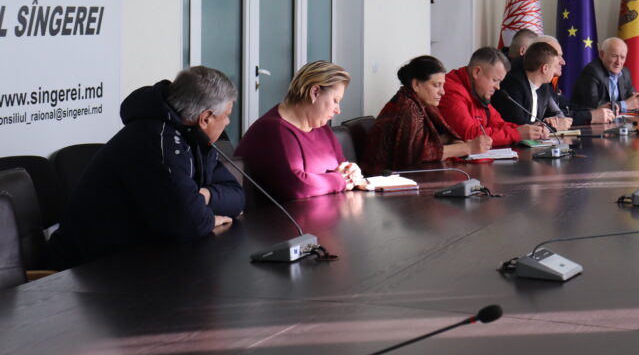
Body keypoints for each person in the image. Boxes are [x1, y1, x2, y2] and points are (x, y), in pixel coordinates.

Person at [47, 66, 245, 269]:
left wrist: (204, 196)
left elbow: (237, 197)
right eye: (226, 115)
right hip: (86, 269)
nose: (228, 121)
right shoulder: (156, 140)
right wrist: (205, 217)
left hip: (134, 260)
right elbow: (188, 223)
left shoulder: (193, 138)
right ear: (205, 118)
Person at [235, 61, 365, 201]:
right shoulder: (272, 129)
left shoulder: (322, 128)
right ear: (314, 92)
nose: (338, 110)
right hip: (278, 215)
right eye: (335, 100)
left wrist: (352, 172)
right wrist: (340, 180)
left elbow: (341, 168)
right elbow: (298, 185)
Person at [361, 55, 491, 175]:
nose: (442, 92)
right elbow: (419, 154)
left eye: (443, 85)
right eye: (436, 85)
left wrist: (455, 143)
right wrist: (468, 147)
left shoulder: (421, 103)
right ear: (416, 85)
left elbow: (436, 139)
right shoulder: (407, 108)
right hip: (384, 181)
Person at [438, 46, 549, 147]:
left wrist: (529, 130)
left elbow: (498, 124)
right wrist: (517, 134)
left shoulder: (478, 91)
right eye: (495, 80)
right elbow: (470, 135)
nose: (498, 87)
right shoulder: (451, 91)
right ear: (477, 72)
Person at [535, 35, 615, 126]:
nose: (563, 62)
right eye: (558, 56)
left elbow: (566, 107)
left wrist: (594, 110)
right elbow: (559, 116)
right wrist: (591, 116)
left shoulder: (552, 81)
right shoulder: (540, 84)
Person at [492, 41, 571, 130]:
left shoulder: (543, 87)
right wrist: (553, 127)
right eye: (554, 66)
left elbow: (552, 115)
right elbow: (519, 126)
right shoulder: (513, 85)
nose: (555, 71)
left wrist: (552, 120)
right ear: (545, 68)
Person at [570, 37, 639, 112]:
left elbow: (632, 98)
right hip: (584, 119)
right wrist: (625, 105)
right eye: (614, 56)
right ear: (601, 54)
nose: (618, 62)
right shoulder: (592, 72)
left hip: (615, 118)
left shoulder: (625, 73)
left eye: (622, 57)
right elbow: (593, 106)